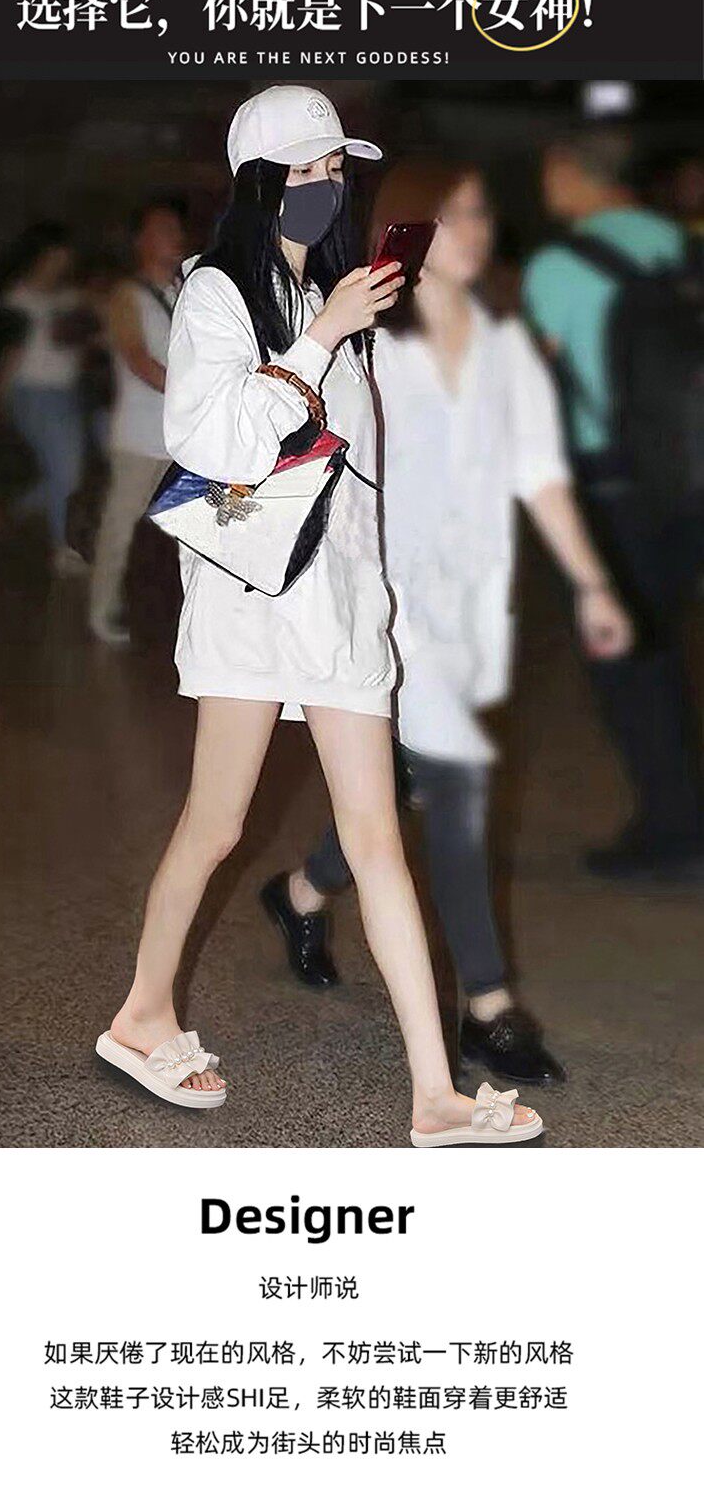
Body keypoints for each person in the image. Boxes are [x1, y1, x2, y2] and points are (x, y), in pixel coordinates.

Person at [95, 87, 543, 1147]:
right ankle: (141, 1015)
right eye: (302, 171)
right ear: (257, 184)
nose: (324, 186)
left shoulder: (336, 304)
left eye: (335, 168)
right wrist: (318, 339)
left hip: (338, 604)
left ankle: (433, 1095)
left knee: (378, 836)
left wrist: (393, 604)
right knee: (216, 824)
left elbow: (363, 481)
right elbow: (211, 441)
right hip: (253, 595)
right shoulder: (217, 292)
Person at [262, 157, 633, 1086]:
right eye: (453, 215)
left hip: (472, 609)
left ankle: (301, 893)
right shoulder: (369, 352)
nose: (475, 231)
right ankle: (489, 1010)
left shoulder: (508, 348)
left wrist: (592, 583)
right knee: (456, 792)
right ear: (411, 231)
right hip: (390, 606)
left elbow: (538, 473)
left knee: (396, 780)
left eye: (481, 214)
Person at [524, 126, 704, 880]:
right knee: (664, 644)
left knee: (628, 663)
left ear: (569, 172)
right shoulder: (682, 243)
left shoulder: (559, 266)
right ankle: (678, 815)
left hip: (612, 489)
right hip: (689, 477)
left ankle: (672, 829)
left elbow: (536, 381)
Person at [89, 198, 189, 644]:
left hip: (184, 437)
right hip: (141, 437)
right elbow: (137, 359)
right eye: (163, 229)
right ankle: (102, 607)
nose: (175, 236)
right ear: (141, 241)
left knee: (196, 530)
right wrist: (195, 397)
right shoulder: (126, 296)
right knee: (121, 526)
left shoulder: (188, 289)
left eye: (176, 228)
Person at [0, 221, 87, 577]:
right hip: (33, 393)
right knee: (67, 469)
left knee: (64, 470)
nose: (61, 262)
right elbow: (8, 354)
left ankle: (13, 510)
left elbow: (84, 341)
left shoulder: (69, 298)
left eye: (65, 256)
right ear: (40, 256)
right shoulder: (19, 299)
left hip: (66, 393)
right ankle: (64, 549)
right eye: (55, 256)